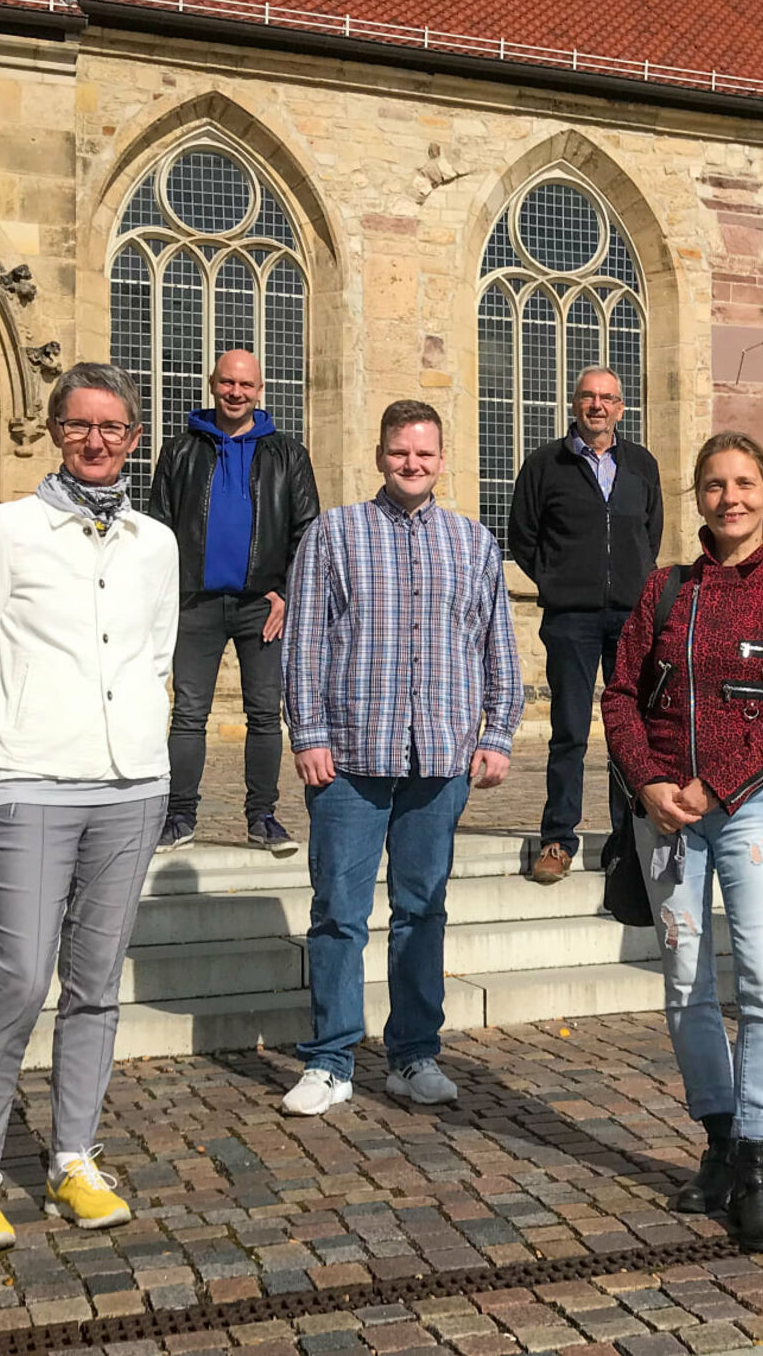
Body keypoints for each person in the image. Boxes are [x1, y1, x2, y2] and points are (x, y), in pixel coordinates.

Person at [0, 362, 180, 1254]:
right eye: (81, 426)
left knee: (95, 987)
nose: (98, 441)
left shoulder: (156, 542)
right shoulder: (9, 528)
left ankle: (74, 1157)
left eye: (114, 428)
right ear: (54, 431)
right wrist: (2, 741)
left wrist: (145, 732)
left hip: (129, 783)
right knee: (21, 978)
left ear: (135, 437)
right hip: (30, 778)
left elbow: (156, 651)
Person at [601, 432, 763, 1253]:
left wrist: (717, 784)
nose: (728, 498)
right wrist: (649, 781)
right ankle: (719, 1146)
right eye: (713, 485)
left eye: (743, 484)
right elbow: (621, 691)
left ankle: (759, 1166)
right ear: (697, 498)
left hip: (752, 811)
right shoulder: (665, 590)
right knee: (687, 983)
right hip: (664, 811)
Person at [279, 400, 521, 1117]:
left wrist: (498, 733)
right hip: (350, 752)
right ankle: (330, 1060)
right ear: (380, 455)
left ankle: (414, 1055)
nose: (411, 464)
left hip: (441, 754)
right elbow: (305, 643)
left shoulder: (473, 544)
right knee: (339, 913)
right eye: (399, 453)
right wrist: (309, 732)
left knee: (422, 909)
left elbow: (496, 646)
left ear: (442, 459)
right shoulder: (334, 533)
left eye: (424, 453)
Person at [147, 348, 321, 857]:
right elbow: (158, 527)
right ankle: (179, 817)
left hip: (261, 608)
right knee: (188, 714)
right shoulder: (180, 451)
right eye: (227, 383)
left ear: (260, 390)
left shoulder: (288, 453)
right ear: (213, 384)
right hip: (195, 603)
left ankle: (262, 817)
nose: (236, 393)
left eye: (245, 385)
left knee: (266, 713)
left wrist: (287, 593)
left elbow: (307, 530)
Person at [508, 367, 663, 884]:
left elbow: (651, 533)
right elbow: (523, 537)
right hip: (569, 618)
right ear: (574, 404)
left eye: (608, 398)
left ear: (622, 407)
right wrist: (558, 581)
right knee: (569, 731)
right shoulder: (544, 465)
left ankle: (627, 841)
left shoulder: (641, 464)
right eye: (588, 397)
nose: (598, 406)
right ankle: (557, 838)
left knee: (629, 733)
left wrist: (633, 583)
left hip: (629, 617)